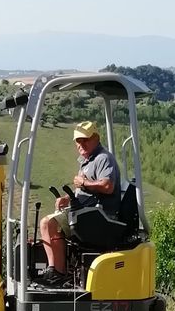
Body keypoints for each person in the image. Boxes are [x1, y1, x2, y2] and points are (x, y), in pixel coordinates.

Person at [38, 120, 122, 286]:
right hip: (86, 212)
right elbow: (84, 191)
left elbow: (107, 186)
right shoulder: (87, 161)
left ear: (96, 138)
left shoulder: (103, 158)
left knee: (49, 223)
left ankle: (58, 273)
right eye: (78, 140)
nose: (81, 144)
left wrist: (83, 182)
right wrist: (67, 198)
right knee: (47, 224)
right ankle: (56, 270)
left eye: (85, 139)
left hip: (99, 215)